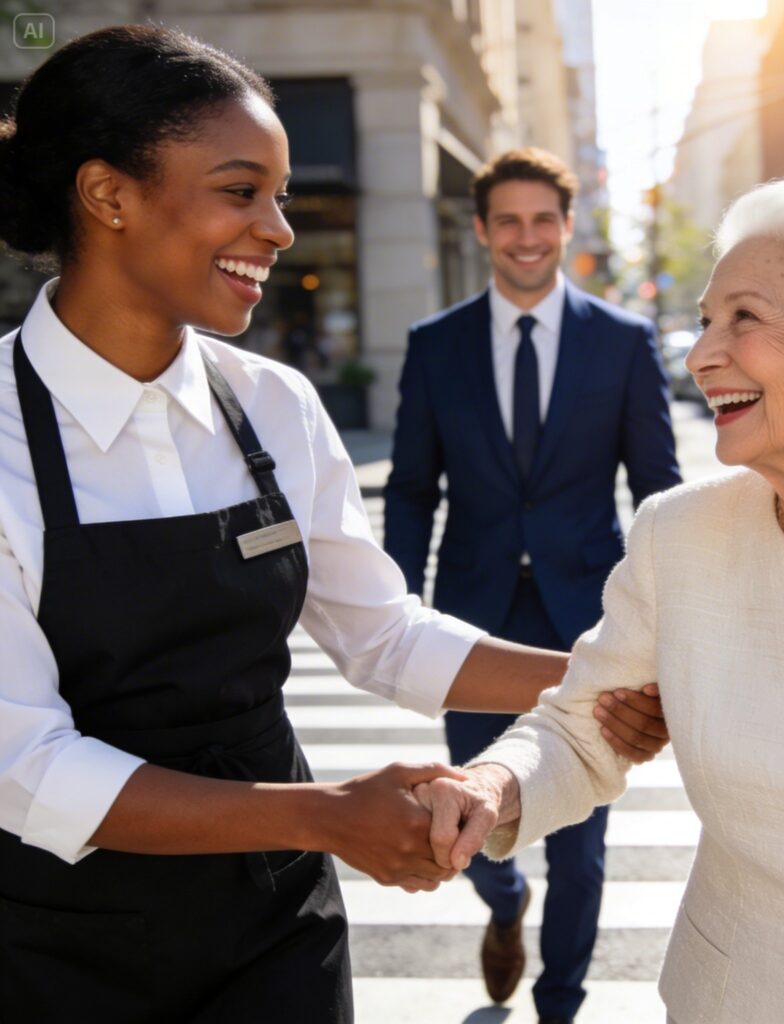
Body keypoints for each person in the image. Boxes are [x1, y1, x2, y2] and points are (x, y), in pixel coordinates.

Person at [0, 27, 667, 1024]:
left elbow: (383, 635)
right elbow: (27, 766)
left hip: (278, 926)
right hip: (56, 941)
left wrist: (608, 674)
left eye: (278, 193)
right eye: (241, 190)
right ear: (110, 197)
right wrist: (325, 815)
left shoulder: (273, 403)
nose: (278, 226)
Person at [414, 176, 784, 1024]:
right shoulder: (678, 533)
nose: (702, 354)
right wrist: (492, 784)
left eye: (746, 318)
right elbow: (584, 725)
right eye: (707, 320)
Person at [383, 147, 681, 1023]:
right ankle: (505, 901)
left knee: (584, 842)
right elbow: (409, 487)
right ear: (481, 230)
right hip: (469, 622)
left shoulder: (622, 343)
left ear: (566, 228)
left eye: (542, 219)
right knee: (469, 814)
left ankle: (560, 1005)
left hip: (586, 628)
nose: (526, 237)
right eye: (507, 220)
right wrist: (401, 613)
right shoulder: (434, 347)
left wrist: (666, 619)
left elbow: (659, 491)